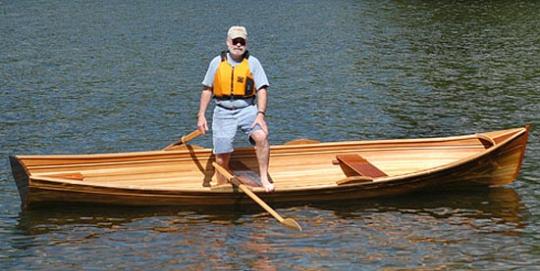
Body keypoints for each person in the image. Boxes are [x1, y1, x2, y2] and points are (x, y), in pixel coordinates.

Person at [197, 26, 274, 192]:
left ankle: (263, 178)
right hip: (223, 111)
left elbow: (262, 90)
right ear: (228, 42)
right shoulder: (216, 63)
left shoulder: (253, 63)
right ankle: (223, 185)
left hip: (247, 108)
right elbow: (207, 89)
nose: (238, 45)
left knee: (261, 136)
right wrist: (201, 115)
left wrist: (260, 114)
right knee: (222, 155)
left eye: (242, 42)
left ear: (246, 43)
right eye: (235, 41)